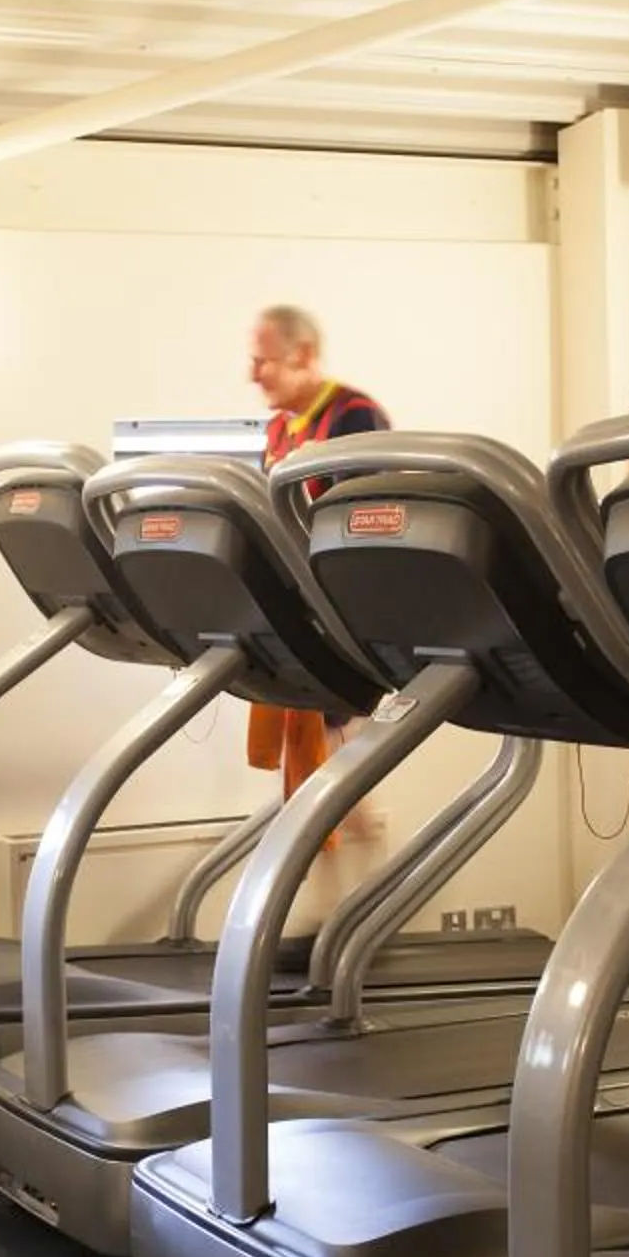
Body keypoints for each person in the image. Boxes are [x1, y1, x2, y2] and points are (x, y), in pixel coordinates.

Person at [244, 307, 390, 905]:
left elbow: (370, 521)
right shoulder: (279, 430)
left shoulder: (353, 416)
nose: (253, 374)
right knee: (328, 780)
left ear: (303, 355)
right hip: (302, 618)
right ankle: (335, 915)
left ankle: (351, 914)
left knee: (340, 778)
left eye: (263, 360)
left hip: (347, 621)